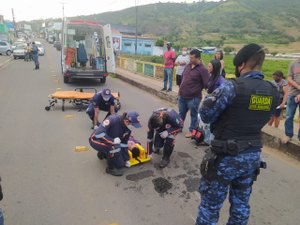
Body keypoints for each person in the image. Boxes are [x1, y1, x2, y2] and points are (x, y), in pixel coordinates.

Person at [196, 43, 278, 225]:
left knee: (210, 207)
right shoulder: (273, 91)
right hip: (251, 156)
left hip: (225, 157)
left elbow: (206, 115)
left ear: (241, 65)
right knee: (241, 206)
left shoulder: (232, 87)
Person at [89, 112, 142, 176]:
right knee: (114, 147)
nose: (133, 127)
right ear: (127, 121)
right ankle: (110, 168)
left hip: (108, 141)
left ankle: (103, 153)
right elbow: (98, 134)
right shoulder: (113, 120)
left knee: (120, 165)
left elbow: (124, 143)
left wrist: (126, 159)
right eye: (133, 125)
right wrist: (112, 141)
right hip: (95, 139)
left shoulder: (128, 128)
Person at [178, 49, 210, 138]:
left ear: (198, 58)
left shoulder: (202, 69)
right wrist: (179, 91)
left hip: (193, 98)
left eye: (192, 58)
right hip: (182, 95)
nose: (190, 59)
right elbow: (183, 78)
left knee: (193, 115)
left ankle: (192, 131)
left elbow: (207, 83)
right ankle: (179, 127)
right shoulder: (188, 66)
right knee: (181, 113)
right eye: (190, 57)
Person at [202, 59, 225, 145]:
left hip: (214, 104)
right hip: (208, 102)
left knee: (212, 124)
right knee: (206, 124)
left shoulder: (220, 80)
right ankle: (207, 140)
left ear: (214, 68)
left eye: (209, 66)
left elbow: (222, 93)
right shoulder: (211, 77)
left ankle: (212, 143)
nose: (207, 68)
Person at [283, 58, 300, 143]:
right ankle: (288, 134)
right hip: (292, 93)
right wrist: (298, 86)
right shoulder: (293, 63)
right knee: (289, 115)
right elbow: (289, 78)